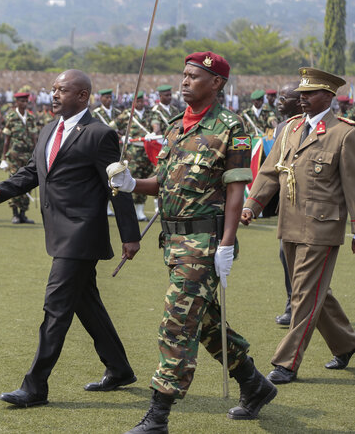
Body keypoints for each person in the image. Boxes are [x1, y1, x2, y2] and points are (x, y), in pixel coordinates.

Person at [109, 51, 276, 432]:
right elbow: (162, 183)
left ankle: (158, 415)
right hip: (173, 242)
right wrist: (132, 184)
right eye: (183, 75)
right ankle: (253, 383)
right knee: (203, 322)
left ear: (216, 83)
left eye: (193, 76)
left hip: (205, 241)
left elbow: (236, 191)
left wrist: (227, 244)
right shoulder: (173, 127)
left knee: (177, 322)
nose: (184, 82)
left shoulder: (232, 127)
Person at [0, 69, 141, 408]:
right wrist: (3, 190)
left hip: (81, 234)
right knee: (86, 303)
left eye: (62, 90)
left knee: (56, 306)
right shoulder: (48, 130)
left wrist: (131, 235)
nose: (54, 95)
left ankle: (35, 386)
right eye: (53, 89)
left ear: (82, 96)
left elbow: (118, 184)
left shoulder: (100, 135)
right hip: (58, 231)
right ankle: (119, 369)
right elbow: (33, 171)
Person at [241, 67, 355, 384]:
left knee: (303, 294)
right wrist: (253, 204)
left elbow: (353, 187)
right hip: (289, 223)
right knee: (315, 290)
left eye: (310, 93)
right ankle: (346, 342)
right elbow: (269, 173)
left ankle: (287, 362)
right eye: (301, 93)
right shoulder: (290, 129)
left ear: (329, 97)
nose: (302, 98)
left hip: (322, 227)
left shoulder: (344, 133)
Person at [269, 83, 303, 327]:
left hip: (311, 205)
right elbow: (272, 168)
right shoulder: (281, 127)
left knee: (310, 261)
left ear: (298, 101)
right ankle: (292, 305)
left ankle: (306, 305)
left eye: (285, 98)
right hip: (287, 206)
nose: (279, 102)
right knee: (285, 254)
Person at [114, 91, 153, 221]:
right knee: (133, 179)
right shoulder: (126, 115)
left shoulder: (149, 113)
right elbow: (111, 127)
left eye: (142, 101)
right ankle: (131, 210)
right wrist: (122, 136)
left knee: (144, 178)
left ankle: (140, 211)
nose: (140, 103)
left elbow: (155, 126)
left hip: (146, 151)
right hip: (132, 152)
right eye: (138, 101)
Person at [0, 92, 38, 224]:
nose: (24, 103)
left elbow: (34, 138)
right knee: (14, 183)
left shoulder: (31, 118)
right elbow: (7, 139)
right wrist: (3, 158)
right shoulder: (11, 117)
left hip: (28, 157)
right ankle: (15, 213)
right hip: (14, 157)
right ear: (16, 102)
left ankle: (23, 213)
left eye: (26, 101)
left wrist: (36, 154)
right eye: (21, 101)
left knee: (27, 184)